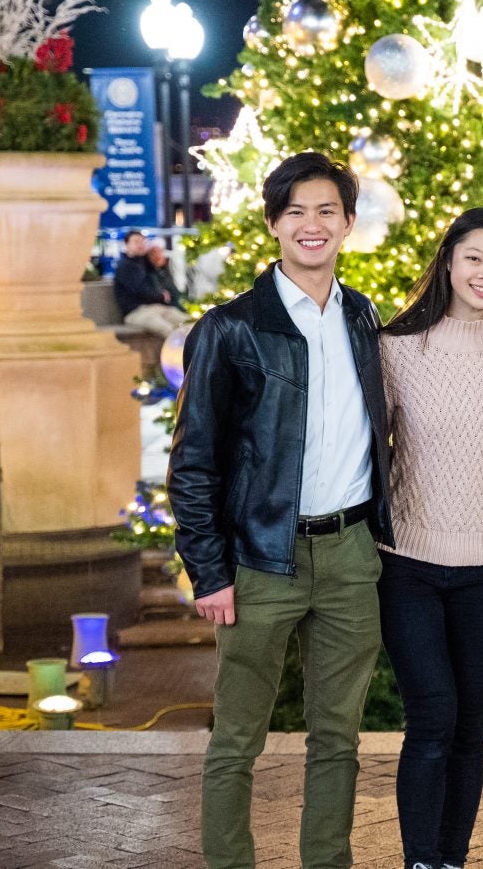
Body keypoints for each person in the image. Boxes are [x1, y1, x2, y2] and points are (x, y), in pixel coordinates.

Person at [168, 151, 394, 869]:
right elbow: (194, 461)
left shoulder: (363, 317)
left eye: (328, 210)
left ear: (349, 224)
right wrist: (208, 572)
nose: (312, 224)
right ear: (272, 223)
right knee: (238, 737)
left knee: (339, 737)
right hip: (261, 560)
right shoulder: (231, 329)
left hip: (352, 555)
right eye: (295, 211)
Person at [376, 208, 483, 869]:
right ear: (448, 260)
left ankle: (451, 858)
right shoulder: (394, 347)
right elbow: (364, 450)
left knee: (471, 728)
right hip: (408, 564)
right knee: (434, 718)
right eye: (475, 258)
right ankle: (420, 860)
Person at [115, 231, 188, 335]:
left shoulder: (145, 263)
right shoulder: (125, 266)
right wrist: (161, 296)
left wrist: (160, 264)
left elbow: (163, 280)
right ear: (126, 245)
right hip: (136, 312)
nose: (140, 245)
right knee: (168, 329)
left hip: (157, 308)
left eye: (142, 241)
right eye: (136, 242)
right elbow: (141, 290)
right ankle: (179, 351)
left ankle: (195, 351)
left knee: (191, 323)